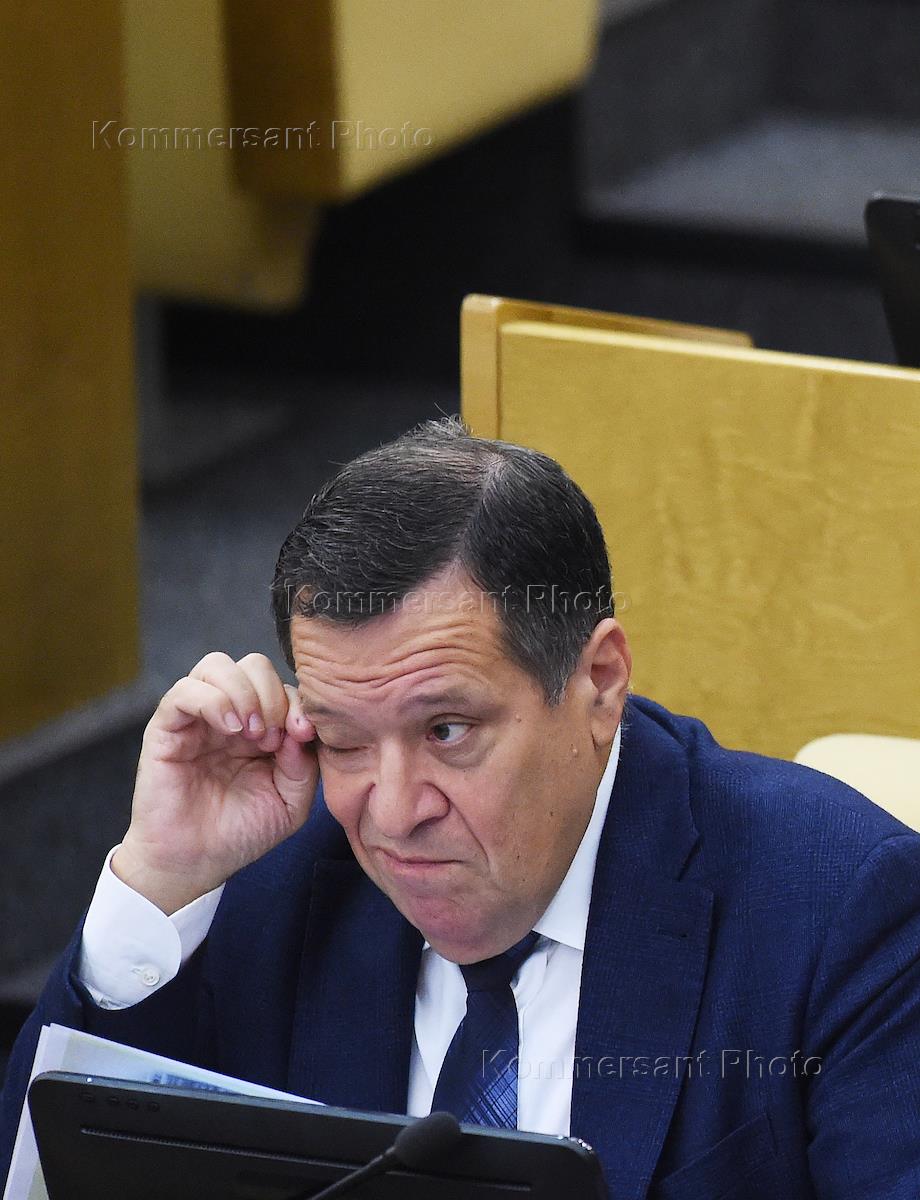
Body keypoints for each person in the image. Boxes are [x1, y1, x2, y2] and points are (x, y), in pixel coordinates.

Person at [3, 415, 920, 1199]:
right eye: (344, 740)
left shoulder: (838, 908)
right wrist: (160, 877)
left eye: (447, 731)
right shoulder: (264, 867)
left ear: (599, 682)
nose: (394, 813)